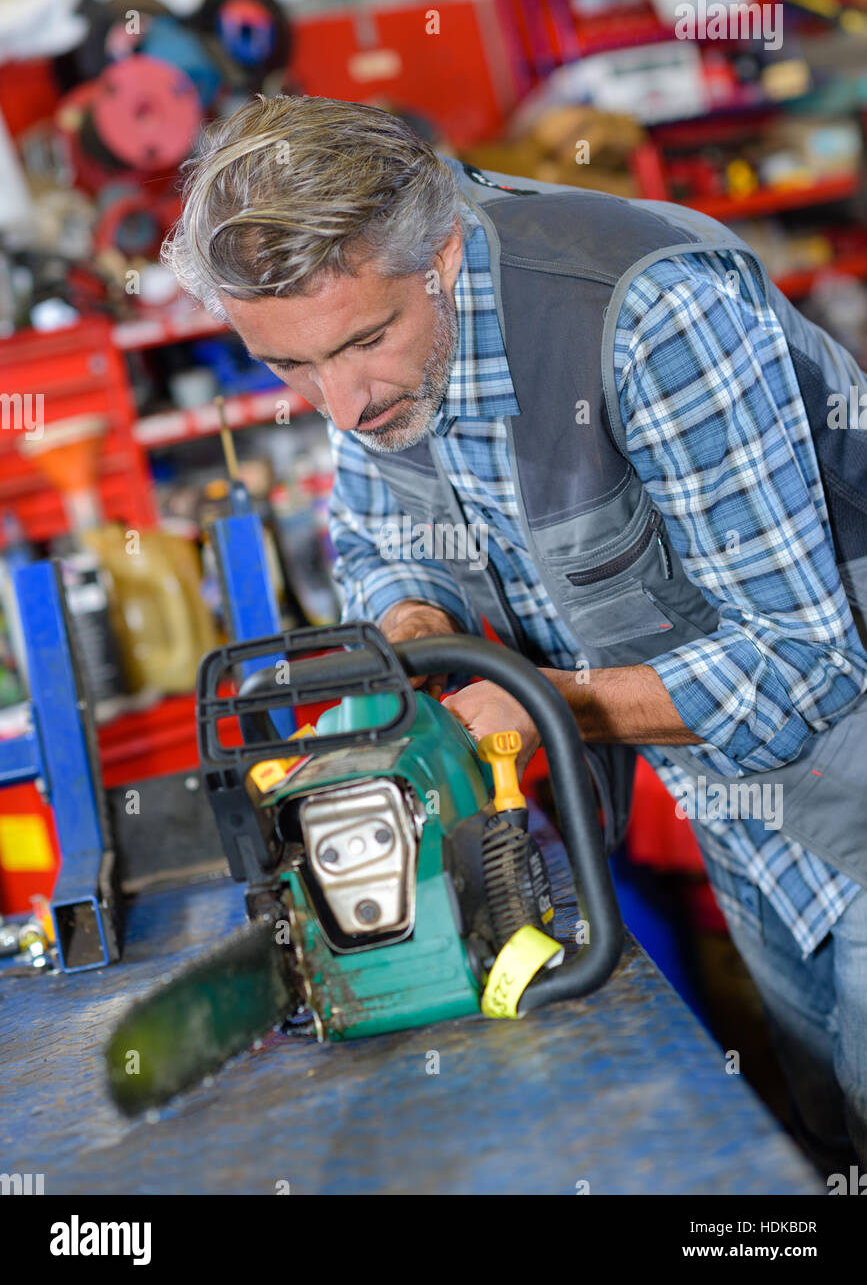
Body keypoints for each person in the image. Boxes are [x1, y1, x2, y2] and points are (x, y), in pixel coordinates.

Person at [163, 93, 867, 1177]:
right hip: (747, 813)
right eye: (288, 368)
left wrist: (546, 701)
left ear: (439, 252)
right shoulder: (374, 362)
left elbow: (804, 659)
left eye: (360, 344)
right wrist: (415, 626)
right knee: (822, 1130)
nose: (335, 404)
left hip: (850, 772)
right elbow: (383, 540)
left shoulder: (648, 313)